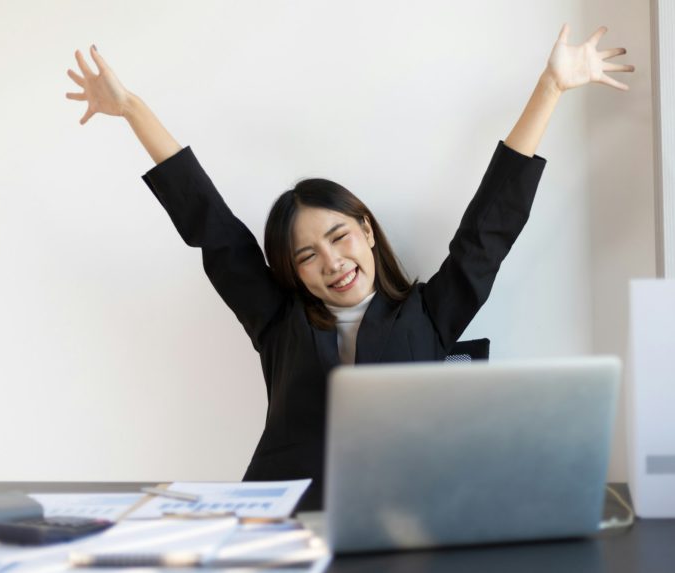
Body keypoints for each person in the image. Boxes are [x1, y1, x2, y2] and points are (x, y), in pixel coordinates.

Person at [66, 25, 633, 510]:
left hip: (409, 525)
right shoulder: (277, 322)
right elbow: (212, 226)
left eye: (338, 236)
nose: (331, 262)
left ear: (366, 230)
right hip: (283, 526)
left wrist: (551, 87)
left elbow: (490, 229)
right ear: (294, 271)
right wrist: (132, 109)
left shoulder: (430, 315)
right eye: (307, 255)